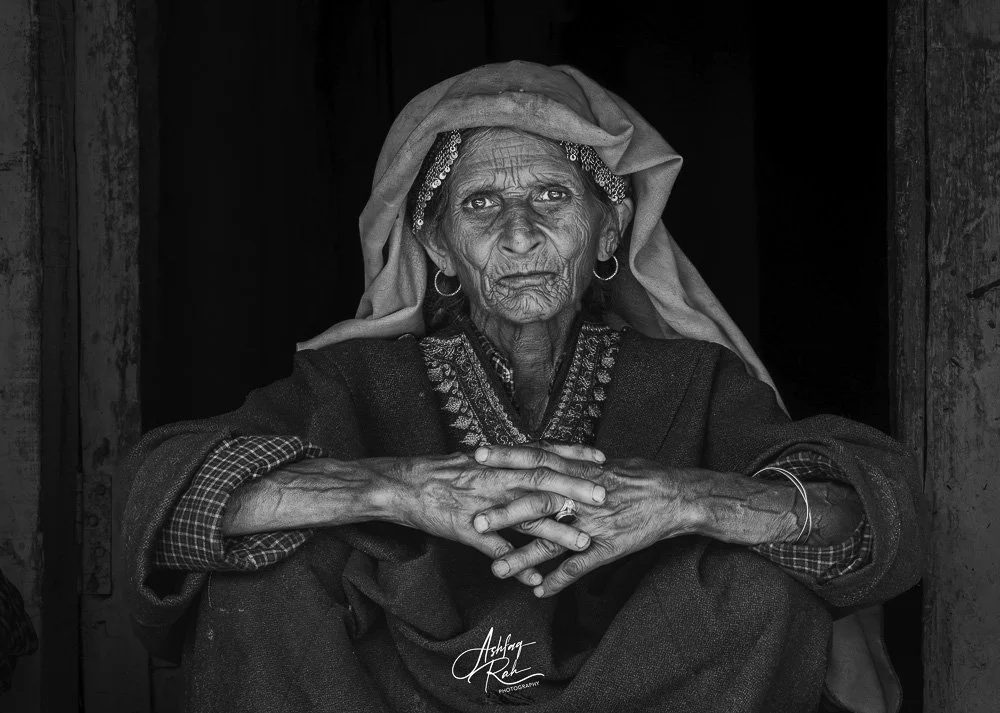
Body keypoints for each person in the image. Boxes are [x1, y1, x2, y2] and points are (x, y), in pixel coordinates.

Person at [122, 61, 923, 713]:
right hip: (393, 694)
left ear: (609, 227)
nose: (519, 233)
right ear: (437, 247)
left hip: (640, 691)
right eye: (480, 204)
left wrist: (692, 499)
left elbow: (869, 522)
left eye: (551, 196)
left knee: (763, 581)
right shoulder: (353, 380)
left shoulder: (692, 379)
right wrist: (395, 488)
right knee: (263, 584)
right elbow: (166, 505)